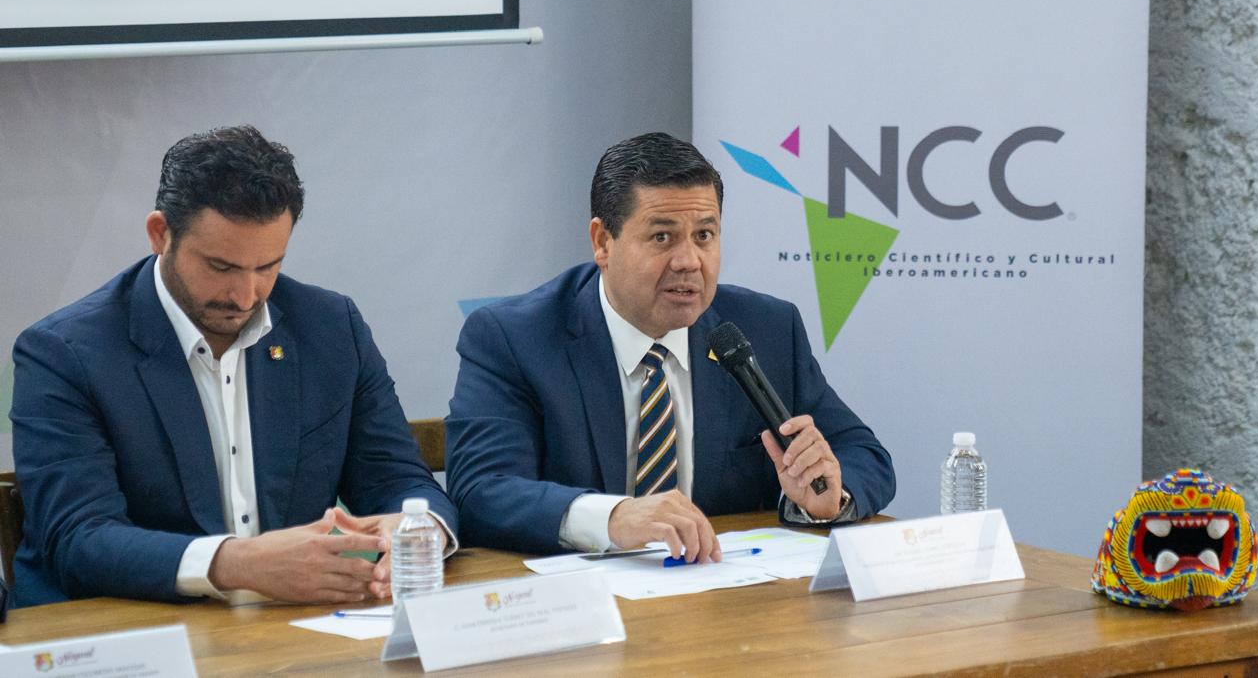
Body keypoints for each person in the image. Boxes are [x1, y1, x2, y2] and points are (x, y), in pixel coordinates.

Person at [10, 126, 456, 607]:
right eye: (221, 267)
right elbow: (78, 539)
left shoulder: (330, 327)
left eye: (268, 267)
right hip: (130, 626)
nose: (246, 296)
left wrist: (415, 529)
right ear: (161, 234)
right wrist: (237, 563)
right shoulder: (64, 352)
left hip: (293, 626)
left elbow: (399, 481)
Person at [446, 132, 894, 561]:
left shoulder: (766, 329)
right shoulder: (515, 338)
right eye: (662, 237)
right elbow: (482, 489)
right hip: (582, 598)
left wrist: (826, 496)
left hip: (727, 596)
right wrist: (614, 518)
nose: (689, 261)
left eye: (704, 236)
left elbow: (862, 454)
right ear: (603, 242)